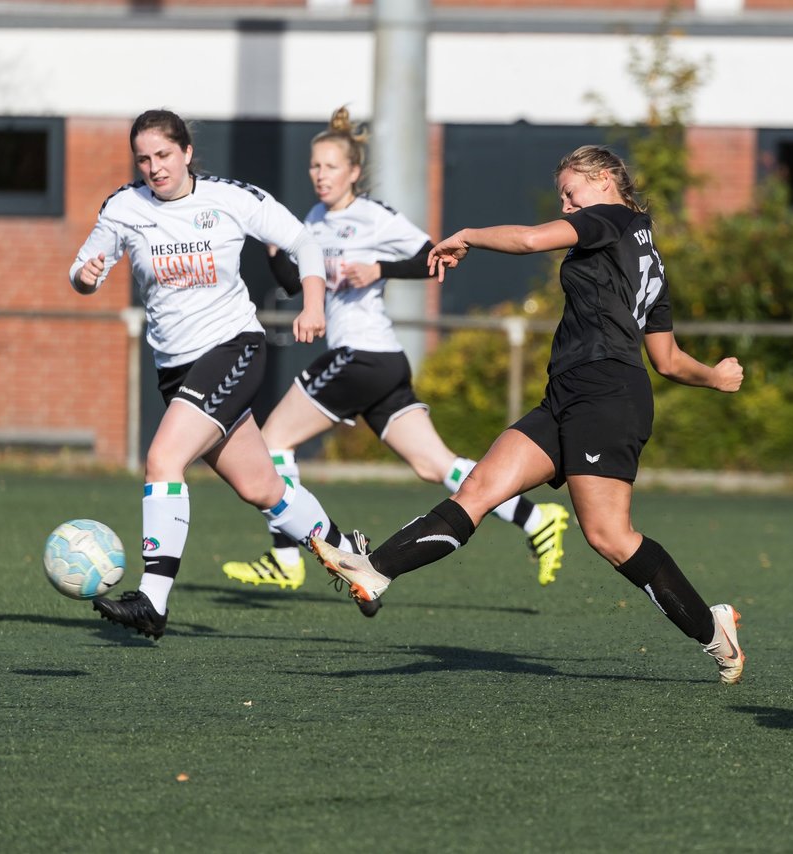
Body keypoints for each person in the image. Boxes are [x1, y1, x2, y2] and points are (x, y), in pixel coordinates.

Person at [308, 144, 749, 683]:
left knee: (610, 537)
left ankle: (713, 629)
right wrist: (716, 376)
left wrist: (468, 235)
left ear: (607, 179)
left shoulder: (612, 218)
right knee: (476, 491)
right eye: (563, 196)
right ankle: (375, 570)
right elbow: (670, 360)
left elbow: (532, 240)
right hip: (567, 396)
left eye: (572, 192)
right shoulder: (642, 250)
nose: (567, 206)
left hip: (607, 397)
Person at [220, 106, 569, 593]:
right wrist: (275, 247)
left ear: (354, 172)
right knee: (435, 465)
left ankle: (284, 557)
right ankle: (536, 519)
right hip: (375, 365)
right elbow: (292, 284)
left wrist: (378, 270)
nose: (320, 176)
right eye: (314, 167)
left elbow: (434, 259)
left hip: (363, 355)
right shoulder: (313, 220)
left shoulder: (373, 216)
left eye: (330, 167)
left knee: (274, 441)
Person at [69, 109, 369, 638]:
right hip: (175, 370)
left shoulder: (231, 198)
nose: (154, 167)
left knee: (163, 459)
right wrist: (86, 276)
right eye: (144, 158)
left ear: (186, 152)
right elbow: (83, 270)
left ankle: (153, 601)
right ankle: (351, 559)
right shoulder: (124, 207)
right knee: (262, 487)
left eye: (163, 155)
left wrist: (314, 304)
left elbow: (303, 242)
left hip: (234, 348)